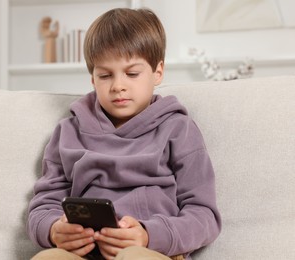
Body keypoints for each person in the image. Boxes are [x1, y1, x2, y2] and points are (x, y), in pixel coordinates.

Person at [27, 8, 221, 260]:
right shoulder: (68, 132)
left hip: (152, 251)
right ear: (93, 79)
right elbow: (43, 206)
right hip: (86, 253)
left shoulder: (178, 129)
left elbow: (204, 215)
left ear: (158, 72)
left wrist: (149, 235)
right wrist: (53, 230)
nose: (118, 85)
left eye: (132, 73)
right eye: (105, 75)